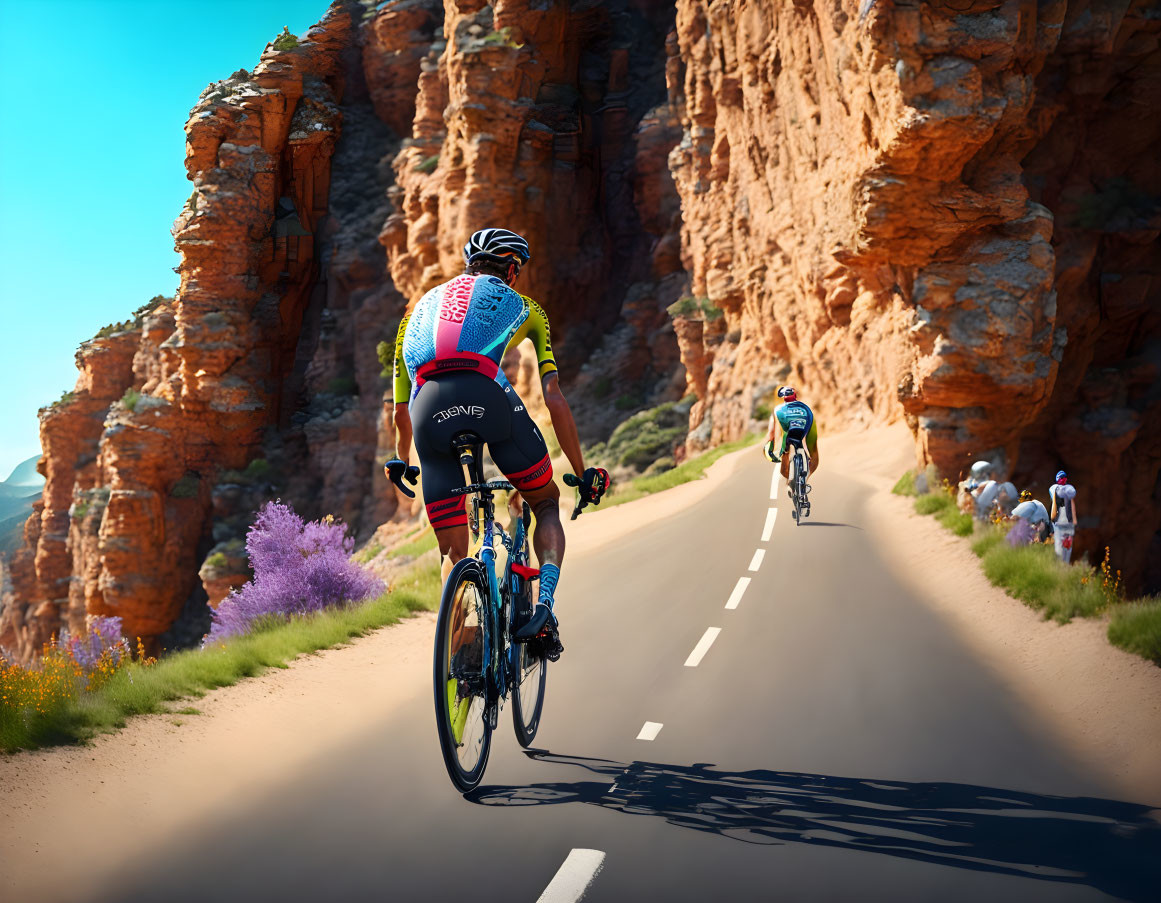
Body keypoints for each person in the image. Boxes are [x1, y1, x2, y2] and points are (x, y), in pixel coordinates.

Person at [384, 227, 609, 655]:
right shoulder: (525, 307)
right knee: (544, 501)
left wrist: (400, 460)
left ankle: (465, 639)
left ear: (468, 264)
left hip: (427, 412)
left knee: (453, 550)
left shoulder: (414, 314)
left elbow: (398, 411)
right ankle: (543, 608)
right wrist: (583, 473)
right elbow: (554, 397)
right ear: (511, 269)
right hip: (488, 398)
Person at [762, 386, 820, 487]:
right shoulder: (805, 407)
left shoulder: (778, 409)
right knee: (813, 453)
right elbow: (810, 420)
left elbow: (771, 434)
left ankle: (791, 483)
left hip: (790, 432)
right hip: (808, 423)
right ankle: (804, 480)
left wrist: (769, 448)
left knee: (786, 447)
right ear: (796, 396)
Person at [1049, 470, 1078, 563]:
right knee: (1063, 547)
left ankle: (1063, 565)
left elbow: (1071, 504)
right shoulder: (1060, 489)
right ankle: (1062, 565)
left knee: (1064, 547)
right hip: (1064, 523)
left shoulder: (1060, 490)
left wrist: (1074, 519)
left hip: (1063, 523)